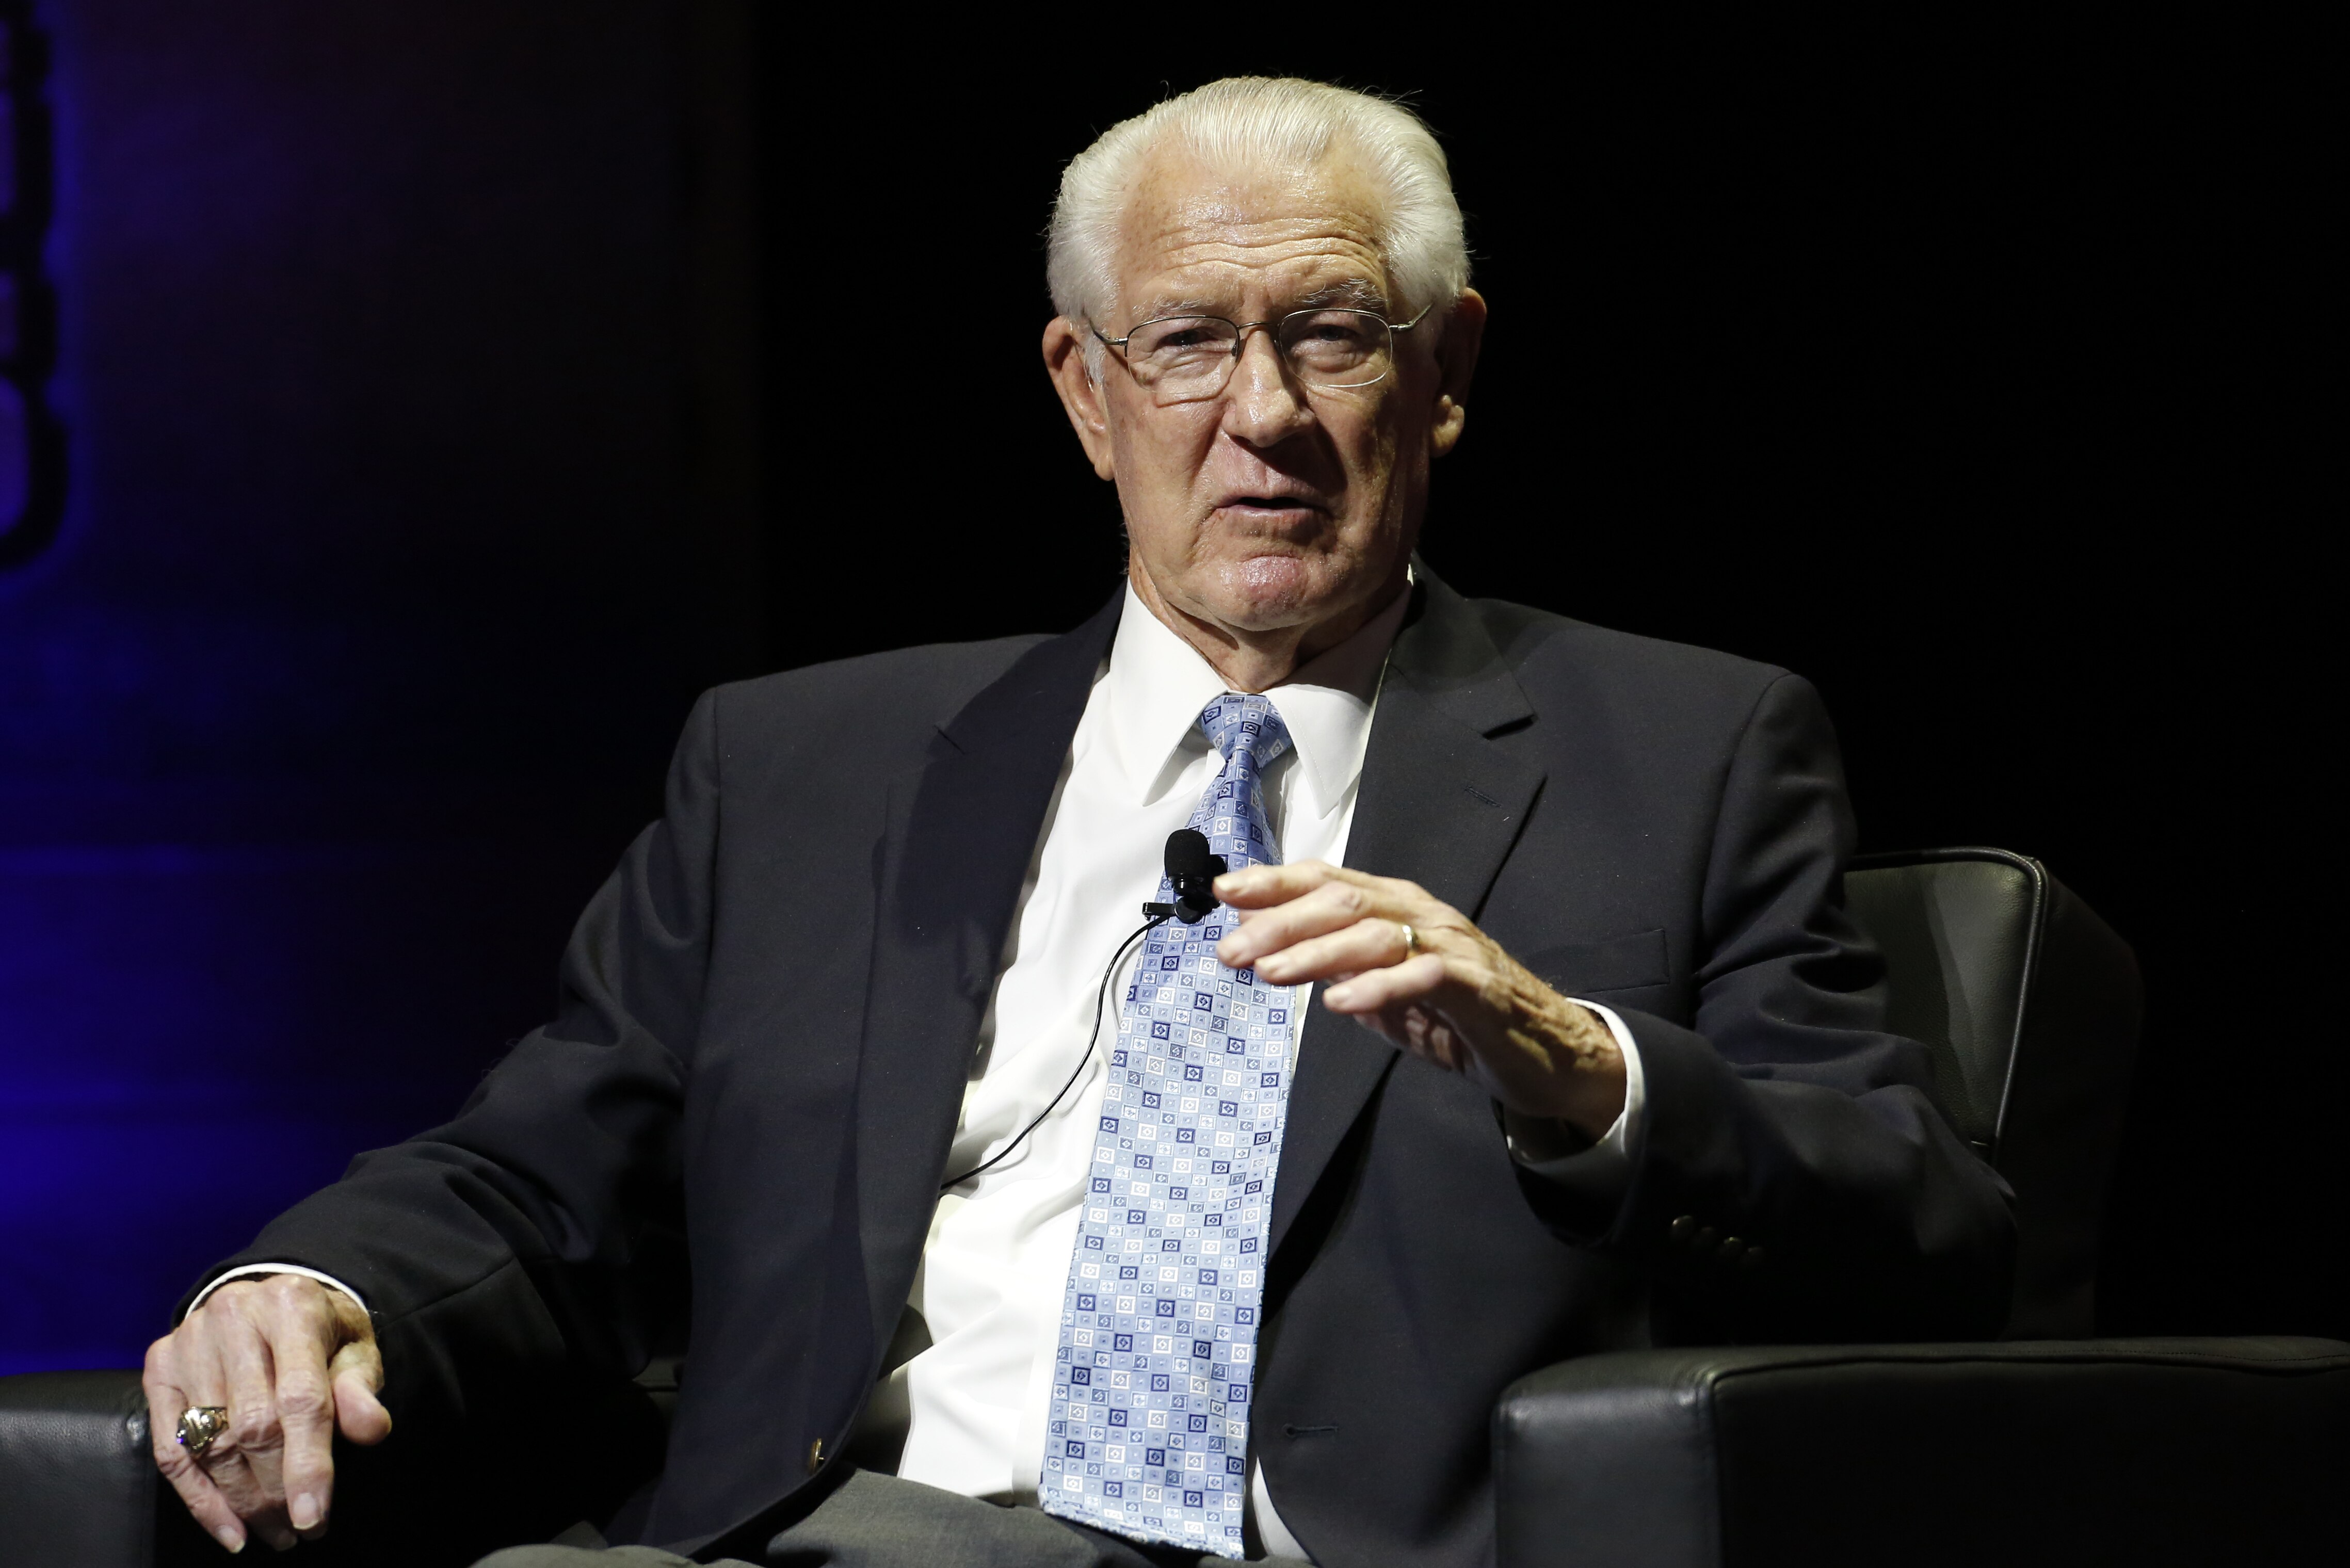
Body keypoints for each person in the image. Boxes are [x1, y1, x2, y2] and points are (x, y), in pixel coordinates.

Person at [139, 77, 2013, 1568]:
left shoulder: (1684, 745)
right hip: (829, 1536)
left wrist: (1567, 1059)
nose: (1259, 416)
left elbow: (1917, 1221)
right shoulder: (808, 762)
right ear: (1085, 391)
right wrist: (305, 1286)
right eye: (1188, 341)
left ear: (1446, 375)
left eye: (1334, 335)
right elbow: (539, 1171)